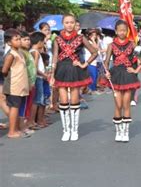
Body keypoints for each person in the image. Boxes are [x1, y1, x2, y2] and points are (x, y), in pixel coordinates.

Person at [51, 14, 97, 142]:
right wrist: (52, 72)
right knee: (64, 101)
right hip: (61, 70)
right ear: (63, 24)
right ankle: (66, 130)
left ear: (75, 23)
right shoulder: (57, 39)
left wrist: (84, 64)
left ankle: (74, 130)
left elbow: (94, 52)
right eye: (67, 22)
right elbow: (55, 55)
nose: (69, 25)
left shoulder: (81, 38)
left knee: (75, 101)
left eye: (71, 22)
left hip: (75, 69)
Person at [104, 20, 141, 142]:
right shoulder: (111, 45)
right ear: (116, 31)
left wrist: (136, 70)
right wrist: (106, 72)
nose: (122, 32)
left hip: (128, 75)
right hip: (115, 76)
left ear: (127, 31)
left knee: (126, 104)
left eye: (124, 30)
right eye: (120, 30)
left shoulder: (132, 44)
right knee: (118, 104)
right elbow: (106, 61)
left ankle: (125, 132)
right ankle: (118, 131)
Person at [2, 29, 30, 138]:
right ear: (9, 42)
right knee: (14, 108)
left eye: (19, 39)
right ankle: (11, 131)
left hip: (20, 85)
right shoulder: (11, 55)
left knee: (17, 107)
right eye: (16, 39)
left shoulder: (19, 52)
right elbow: (4, 70)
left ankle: (16, 128)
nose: (19, 41)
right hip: (14, 85)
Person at [28, 32, 48, 130]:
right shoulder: (35, 52)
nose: (44, 44)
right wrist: (44, 75)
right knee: (37, 100)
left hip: (39, 78)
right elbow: (35, 68)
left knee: (39, 100)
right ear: (39, 42)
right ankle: (32, 121)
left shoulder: (33, 51)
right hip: (38, 78)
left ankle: (36, 120)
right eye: (43, 42)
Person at [85, 29, 100, 94]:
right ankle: (92, 90)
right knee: (92, 76)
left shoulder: (93, 42)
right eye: (92, 35)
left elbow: (98, 48)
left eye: (95, 35)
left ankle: (93, 89)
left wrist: (97, 41)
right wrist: (94, 40)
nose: (94, 36)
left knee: (95, 75)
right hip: (90, 61)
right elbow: (96, 48)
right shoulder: (88, 42)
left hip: (94, 62)